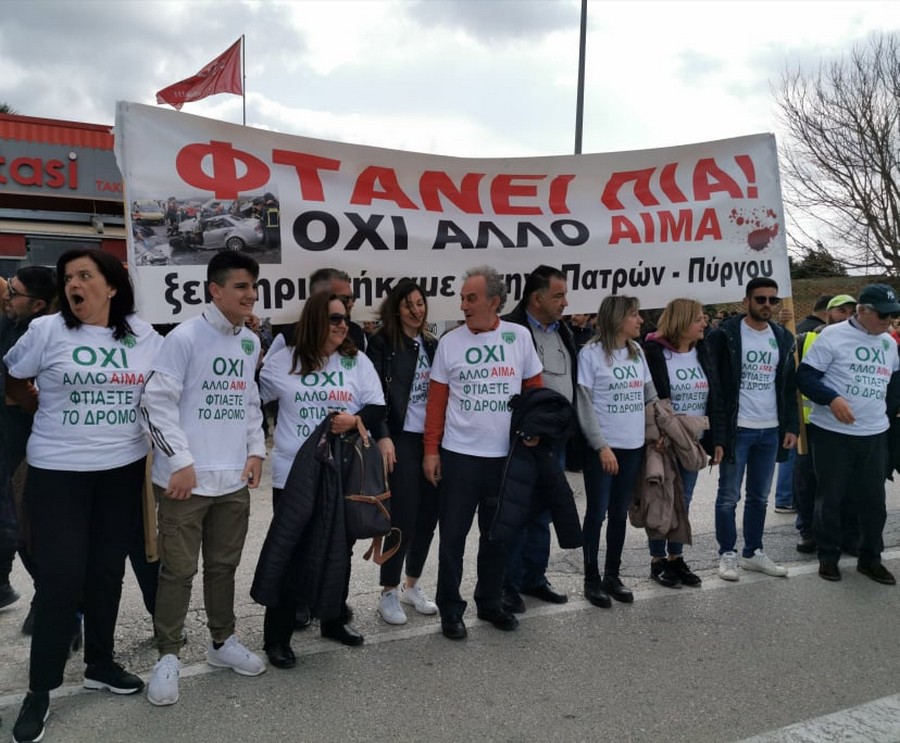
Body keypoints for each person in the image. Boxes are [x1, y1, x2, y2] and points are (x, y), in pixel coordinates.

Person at [5, 249, 162, 743]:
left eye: (85, 275)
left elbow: (173, 382)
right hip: (59, 473)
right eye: (68, 277)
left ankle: (100, 663)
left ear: (111, 286)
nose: (73, 284)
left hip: (121, 472)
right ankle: (40, 689)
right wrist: (36, 408)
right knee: (60, 579)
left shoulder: (142, 335)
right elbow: (13, 377)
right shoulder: (46, 330)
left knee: (106, 573)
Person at [142, 251, 267, 707]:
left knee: (222, 567)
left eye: (253, 286)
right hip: (185, 482)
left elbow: (249, 401)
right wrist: (179, 460)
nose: (250, 295)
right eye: (241, 286)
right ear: (215, 290)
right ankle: (168, 655)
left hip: (232, 482)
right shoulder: (183, 338)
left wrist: (255, 451)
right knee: (178, 572)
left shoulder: (249, 343)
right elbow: (154, 403)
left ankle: (222, 641)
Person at [254, 291, 385, 664]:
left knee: (338, 551)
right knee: (290, 552)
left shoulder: (355, 361)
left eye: (345, 318)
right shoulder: (284, 360)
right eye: (334, 319)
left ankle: (333, 619)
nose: (343, 326)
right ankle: (277, 637)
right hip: (293, 475)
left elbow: (377, 407)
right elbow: (252, 400)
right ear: (314, 321)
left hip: (340, 473)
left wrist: (355, 420)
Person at [423, 265, 543, 640]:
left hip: (505, 457)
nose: (463, 305)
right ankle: (450, 609)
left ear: (494, 301)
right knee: (452, 539)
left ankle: (490, 602)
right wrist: (431, 451)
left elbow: (535, 391)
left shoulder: (519, 337)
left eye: (470, 298)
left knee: (497, 536)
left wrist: (534, 430)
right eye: (462, 298)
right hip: (459, 456)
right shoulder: (450, 343)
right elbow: (436, 404)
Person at [797, 284, 900, 584]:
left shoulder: (888, 343)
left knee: (873, 502)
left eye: (893, 315)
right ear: (862, 311)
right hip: (833, 433)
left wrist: (887, 412)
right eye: (883, 315)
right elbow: (805, 376)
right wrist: (832, 399)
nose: (889, 321)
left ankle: (870, 558)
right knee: (830, 497)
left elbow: (894, 382)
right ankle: (828, 557)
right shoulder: (832, 336)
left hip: (874, 434)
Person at [707, 277, 798, 582]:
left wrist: (791, 426)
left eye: (773, 300)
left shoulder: (782, 337)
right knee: (728, 497)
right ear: (746, 301)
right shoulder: (726, 335)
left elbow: (788, 386)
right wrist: (718, 436)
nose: (767, 305)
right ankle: (727, 553)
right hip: (739, 429)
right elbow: (717, 388)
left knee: (759, 497)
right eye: (760, 299)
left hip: (770, 430)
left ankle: (753, 552)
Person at [500, 265, 578, 612]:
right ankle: (508, 582)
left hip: (554, 437)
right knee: (515, 510)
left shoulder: (564, 331)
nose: (565, 302)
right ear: (536, 298)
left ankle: (534, 576)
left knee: (544, 510)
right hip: (523, 438)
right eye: (558, 295)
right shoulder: (510, 330)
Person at [576, 295, 657, 607]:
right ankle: (591, 578)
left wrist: (659, 430)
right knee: (597, 512)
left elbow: (649, 395)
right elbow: (584, 404)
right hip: (603, 449)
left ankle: (612, 574)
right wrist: (601, 446)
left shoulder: (637, 352)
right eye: (634, 315)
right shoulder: (591, 354)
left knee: (619, 513)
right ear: (617, 318)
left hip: (633, 446)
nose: (640, 320)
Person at [366, 280, 439, 625]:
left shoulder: (432, 343)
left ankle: (412, 585)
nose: (416, 310)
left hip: (432, 440)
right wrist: (383, 434)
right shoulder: (382, 343)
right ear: (396, 308)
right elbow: (374, 393)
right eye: (408, 304)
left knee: (428, 515)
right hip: (400, 438)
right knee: (403, 516)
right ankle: (388, 591)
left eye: (420, 303)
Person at [642, 298, 721, 587]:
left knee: (683, 501)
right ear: (682, 321)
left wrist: (716, 440)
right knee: (660, 500)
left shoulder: (703, 351)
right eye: (698, 318)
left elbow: (715, 396)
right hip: (665, 441)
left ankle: (676, 558)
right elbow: (649, 397)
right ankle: (657, 559)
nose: (704, 323)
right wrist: (655, 433)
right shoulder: (653, 352)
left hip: (693, 441)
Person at [0, 266, 56, 615]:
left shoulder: (41, 334)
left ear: (37, 305)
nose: (7, 297)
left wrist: (28, 402)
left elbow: (23, 388)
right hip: (8, 440)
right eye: (8, 288)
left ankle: (50, 602)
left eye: (14, 293)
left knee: (28, 528)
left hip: (31, 447)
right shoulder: (10, 321)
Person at [793, 294, 858, 553]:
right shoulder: (805, 339)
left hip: (845, 424)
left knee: (846, 483)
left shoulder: (859, 342)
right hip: (809, 425)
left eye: (851, 312)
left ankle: (847, 534)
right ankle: (808, 530)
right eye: (841, 311)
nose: (846, 317)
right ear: (828, 313)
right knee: (807, 481)